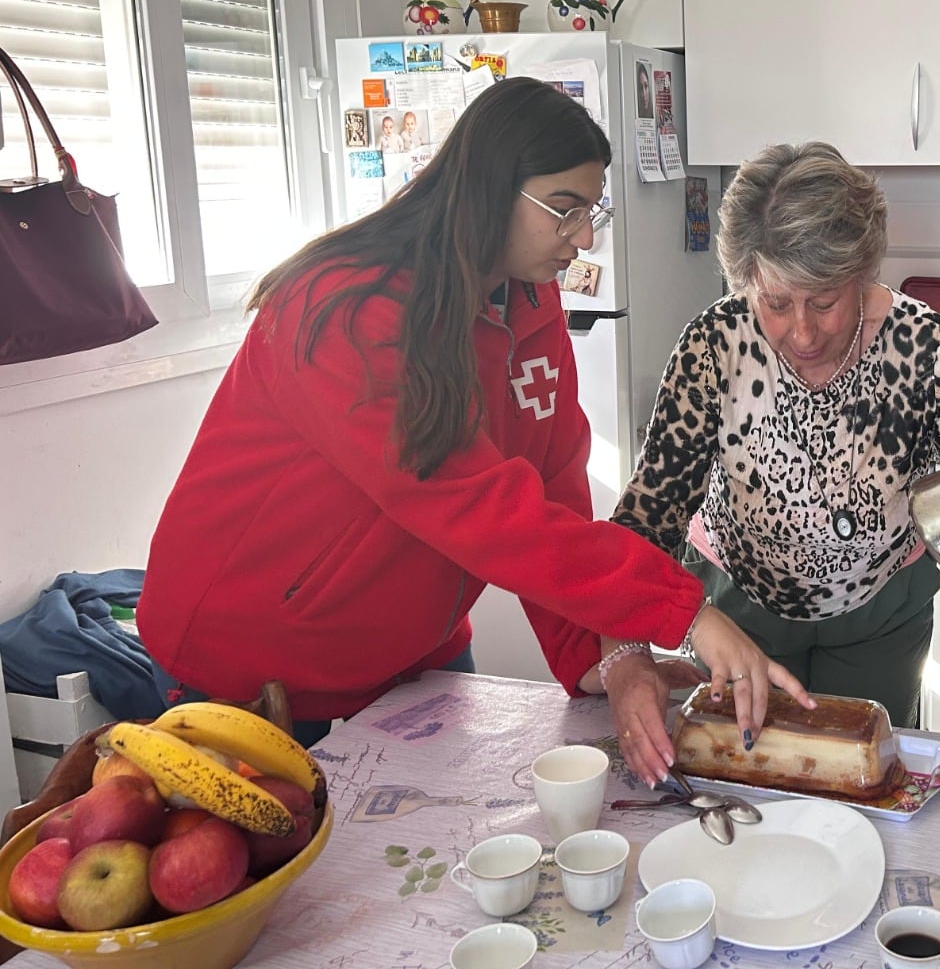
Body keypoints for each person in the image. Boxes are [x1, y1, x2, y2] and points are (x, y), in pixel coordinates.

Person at [138, 78, 809, 749]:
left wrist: (605, 656)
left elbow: (553, 493)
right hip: (252, 670)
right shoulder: (348, 309)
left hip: (410, 659)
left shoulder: (531, 302)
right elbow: (484, 510)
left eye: (590, 212)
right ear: (489, 188)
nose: (581, 237)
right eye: (564, 210)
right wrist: (681, 611)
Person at [602, 142, 940, 784]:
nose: (801, 332)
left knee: (868, 777)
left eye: (824, 302)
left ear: (862, 274)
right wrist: (624, 658)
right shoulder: (714, 345)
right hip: (738, 606)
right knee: (743, 779)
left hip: (881, 612)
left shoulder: (927, 350)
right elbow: (647, 515)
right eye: (775, 303)